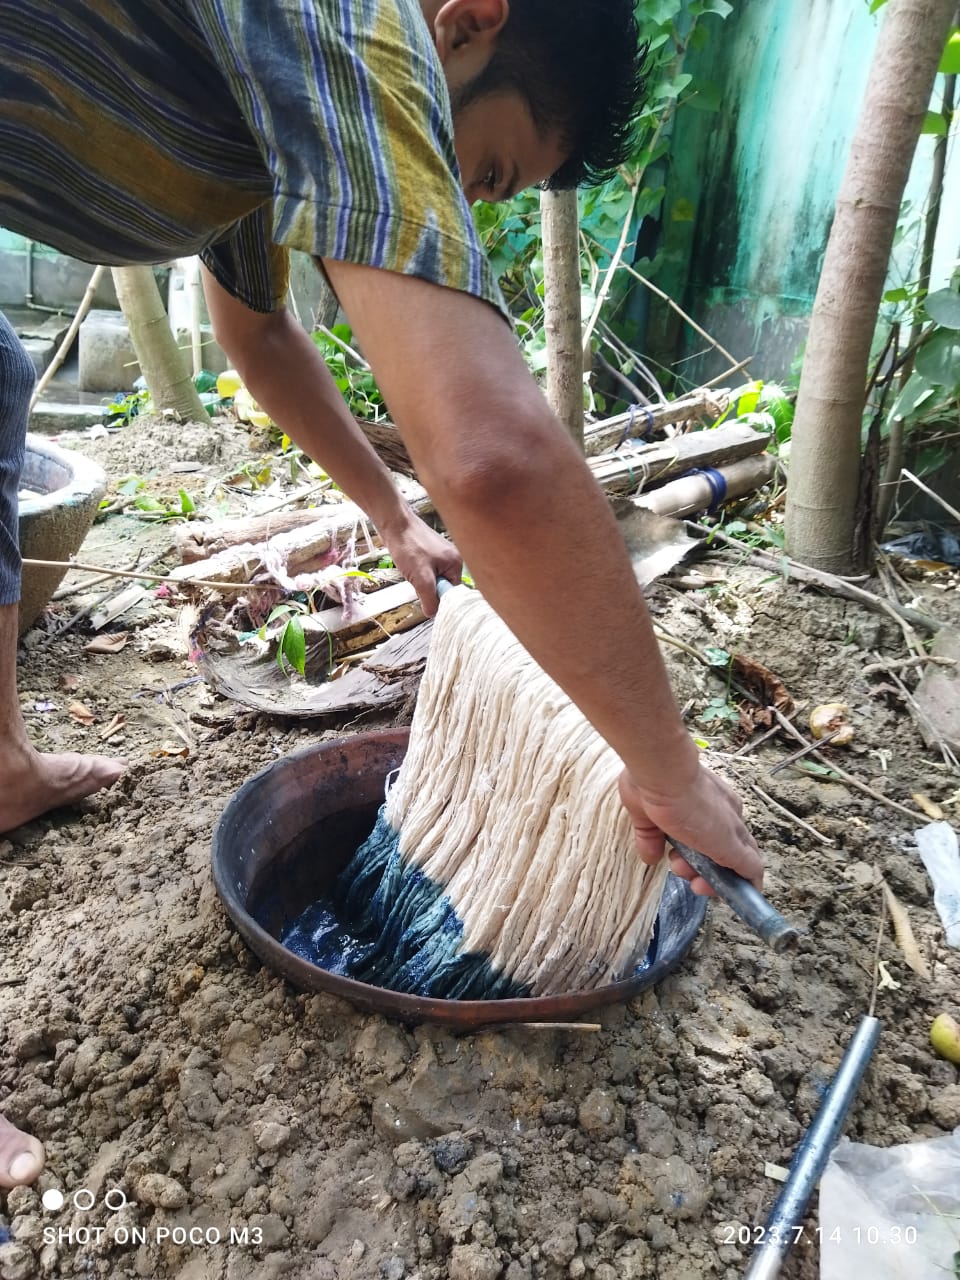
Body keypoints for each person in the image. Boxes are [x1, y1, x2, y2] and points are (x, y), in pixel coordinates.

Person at [0, 0, 764, 1188]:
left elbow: (257, 340)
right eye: (492, 167)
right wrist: (668, 770)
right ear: (468, 22)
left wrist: (389, 514)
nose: (466, 207)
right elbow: (494, 456)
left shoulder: (275, 110)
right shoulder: (356, 29)